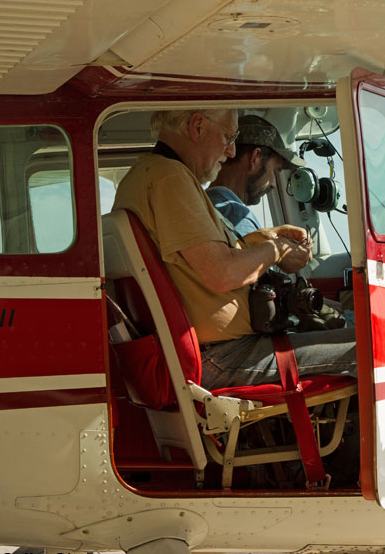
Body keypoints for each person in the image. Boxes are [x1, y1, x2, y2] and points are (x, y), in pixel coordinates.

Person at [111, 108, 356, 390]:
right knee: (366, 347)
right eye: (228, 136)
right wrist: (276, 250)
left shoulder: (145, 175)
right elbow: (223, 273)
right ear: (197, 125)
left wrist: (267, 238)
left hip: (214, 351)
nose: (229, 151)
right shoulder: (171, 179)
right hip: (223, 355)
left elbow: (202, 258)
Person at [206, 114, 303, 241]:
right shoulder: (235, 215)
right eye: (274, 170)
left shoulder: (204, 203)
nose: (273, 184)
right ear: (255, 158)